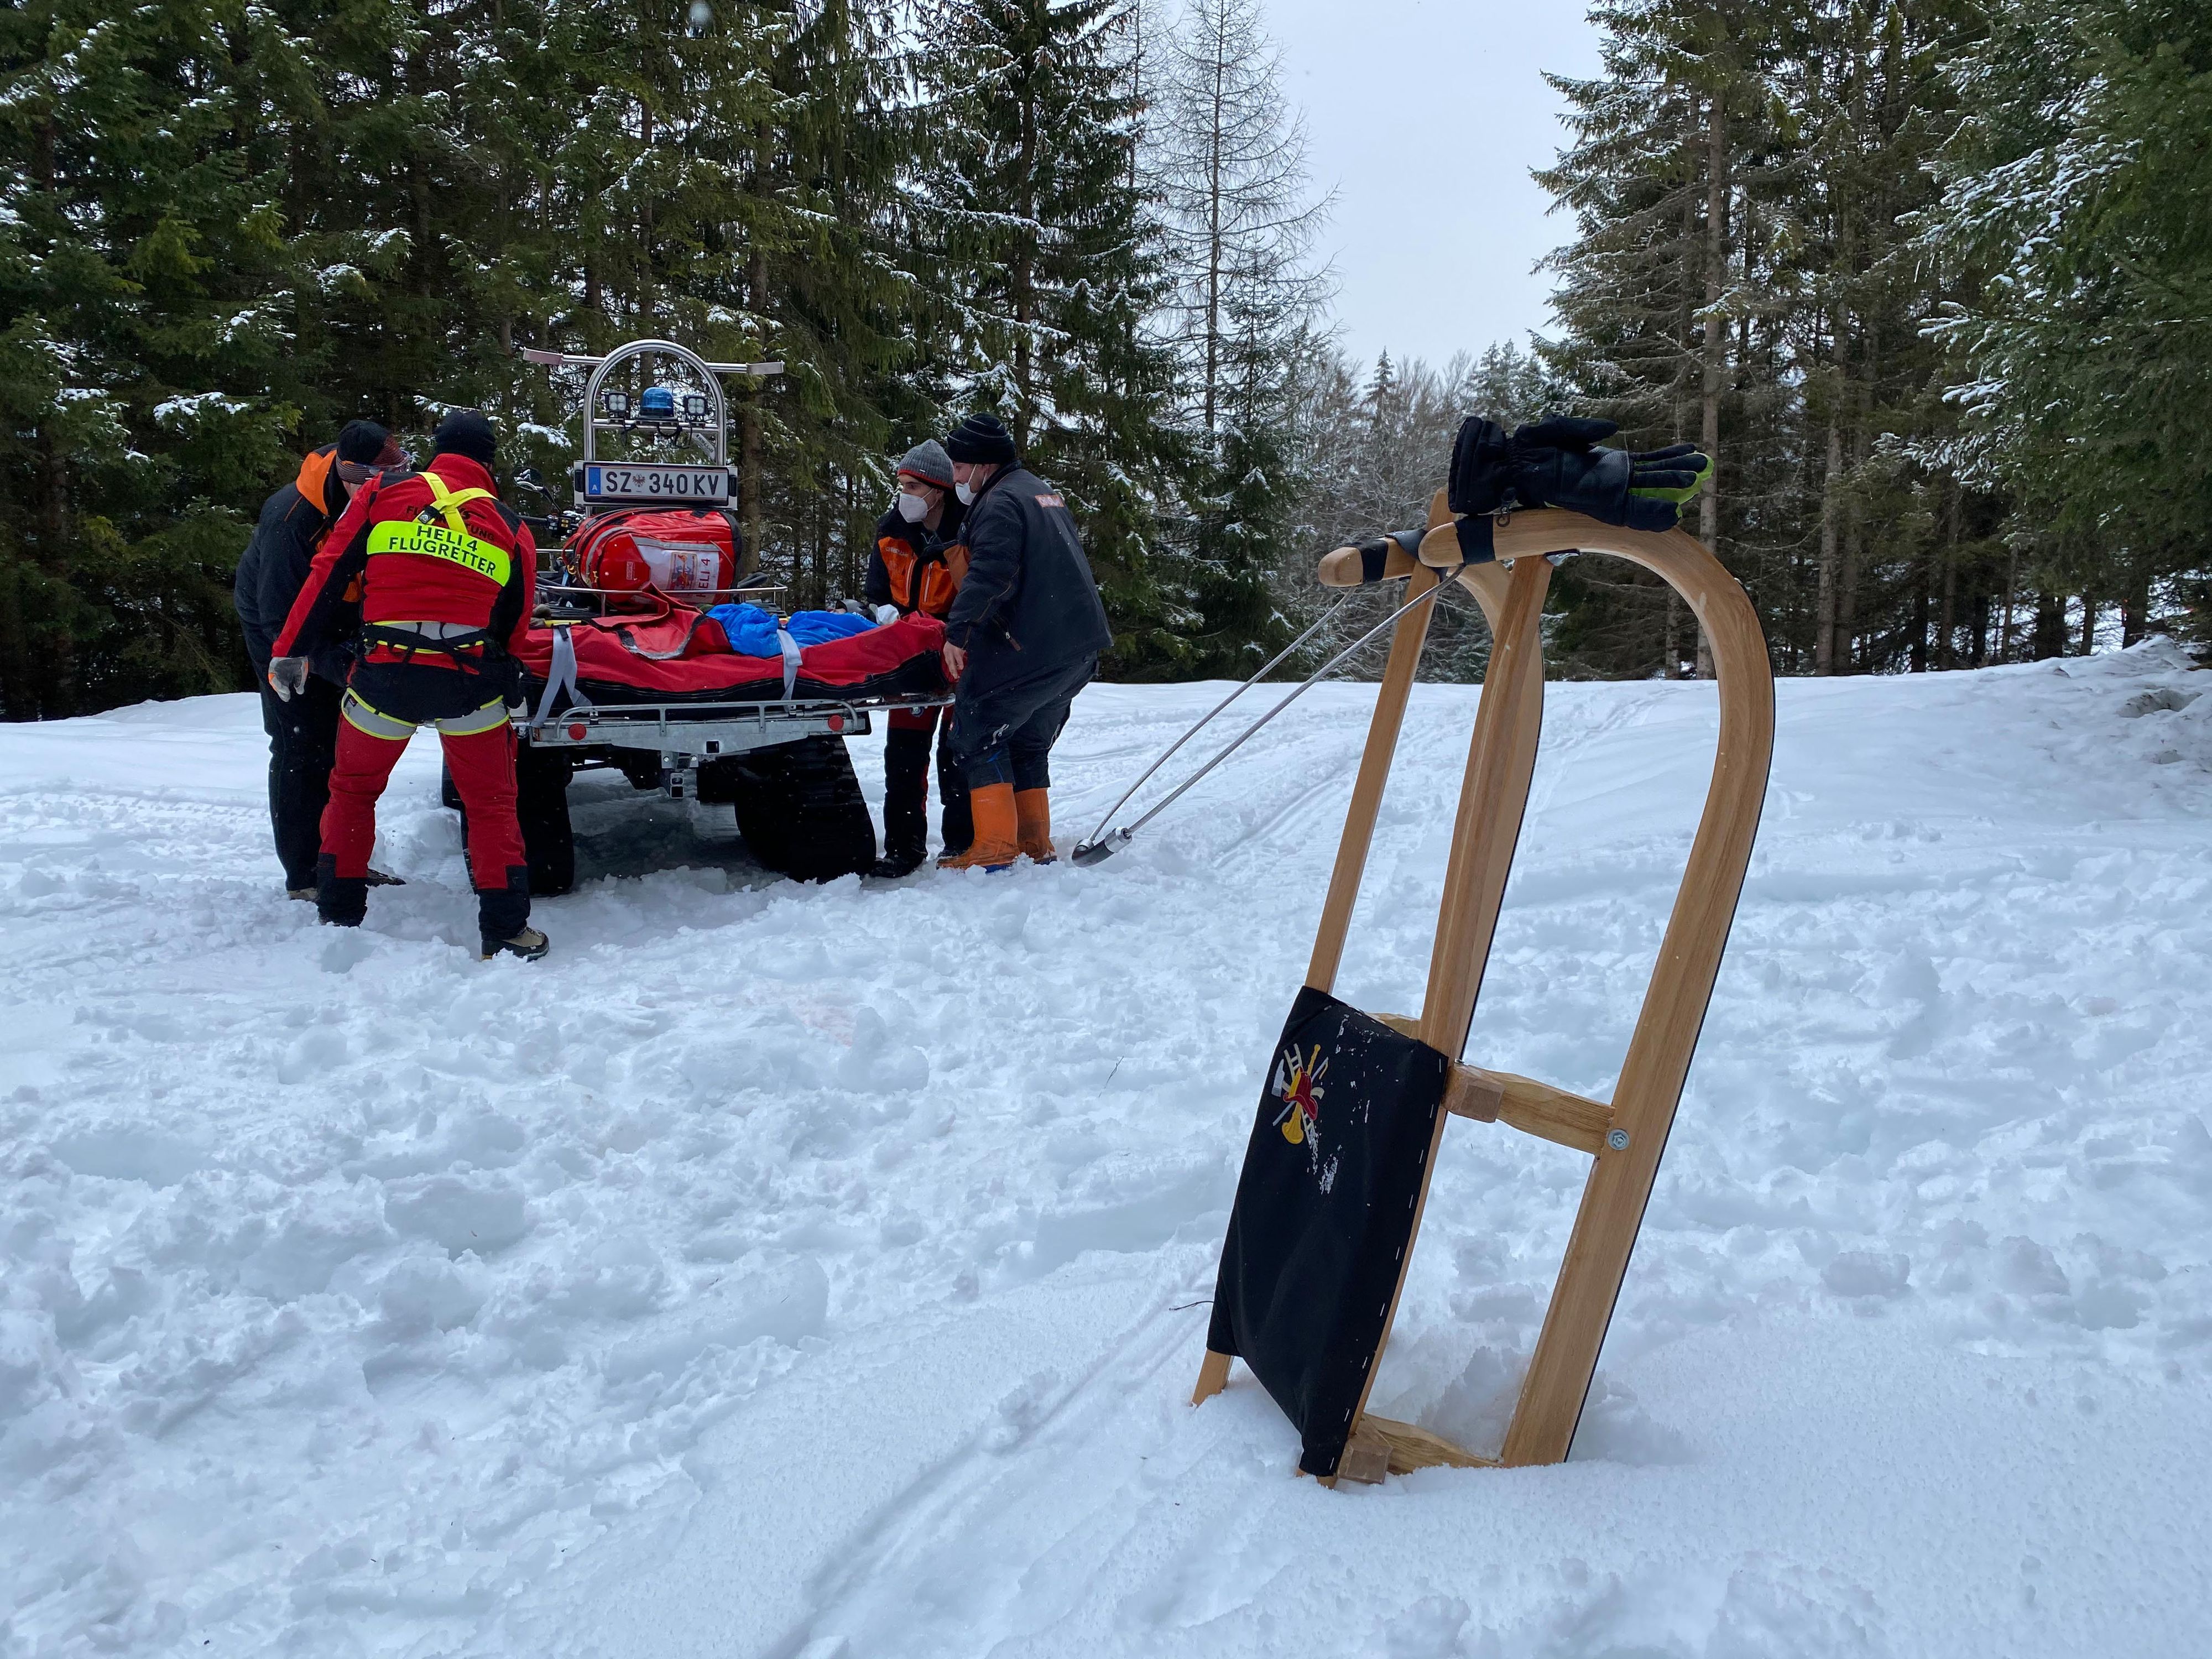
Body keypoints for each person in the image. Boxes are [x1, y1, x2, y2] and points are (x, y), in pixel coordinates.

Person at [267, 410, 548, 959]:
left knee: (353, 789)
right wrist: (510, 676)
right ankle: (508, 933)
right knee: (492, 806)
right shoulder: (511, 527)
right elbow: (514, 628)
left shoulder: (381, 495)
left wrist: (290, 651)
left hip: (384, 676)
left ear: (436, 450)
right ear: (488, 462)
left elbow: (327, 572)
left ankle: (340, 913)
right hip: (468, 682)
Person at [234, 420, 409, 897]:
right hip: (282, 627)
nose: (378, 493)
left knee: (345, 746)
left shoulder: (386, 496)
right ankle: (305, 873)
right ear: (347, 476)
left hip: (342, 613)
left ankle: (342, 859)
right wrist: (338, 665)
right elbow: (280, 622)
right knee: (301, 743)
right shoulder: (290, 519)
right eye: (368, 484)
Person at [936, 413, 1112, 870]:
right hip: (1077, 646)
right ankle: (1035, 842)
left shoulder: (999, 503)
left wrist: (958, 632)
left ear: (981, 464)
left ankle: (994, 849)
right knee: (1028, 741)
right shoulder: (1040, 491)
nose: (955, 476)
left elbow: (992, 574)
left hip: (1036, 647)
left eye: (958, 467)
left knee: (976, 727)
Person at [863, 439, 972, 875]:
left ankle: (961, 843)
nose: (904, 494)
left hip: (959, 651)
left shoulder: (968, 531)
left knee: (956, 752)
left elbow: (979, 591)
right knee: (904, 755)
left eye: (913, 486)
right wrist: (884, 612)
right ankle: (903, 848)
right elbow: (876, 590)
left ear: (937, 491)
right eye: (901, 484)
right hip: (909, 654)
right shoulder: (891, 531)